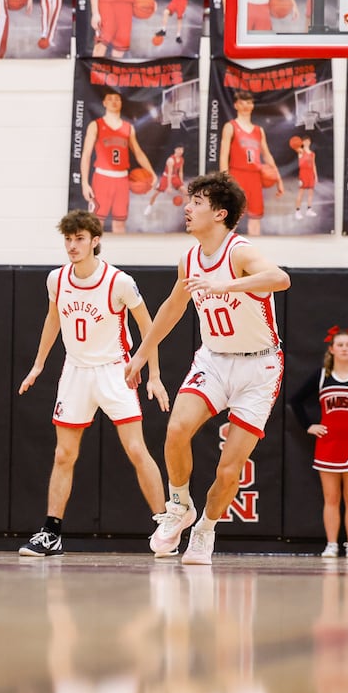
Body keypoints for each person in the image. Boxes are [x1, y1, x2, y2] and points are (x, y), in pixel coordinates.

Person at [125, 173, 292, 566]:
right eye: (189, 200)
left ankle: (205, 530)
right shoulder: (188, 259)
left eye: (197, 202)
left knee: (228, 468)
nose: (187, 207)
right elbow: (171, 309)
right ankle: (179, 505)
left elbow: (280, 278)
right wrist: (140, 354)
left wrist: (225, 286)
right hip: (214, 359)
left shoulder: (239, 252)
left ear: (219, 213)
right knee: (177, 429)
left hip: (260, 367)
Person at [15, 211, 171, 557]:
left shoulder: (119, 282)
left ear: (95, 240)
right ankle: (51, 533)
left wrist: (155, 374)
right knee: (63, 454)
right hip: (76, 372)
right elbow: (53, 319)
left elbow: (150, 328)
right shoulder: (56, 280)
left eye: (79, 239)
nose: (72, 246)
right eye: (68, 239)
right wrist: (38, 365)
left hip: (116, 370)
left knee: (135, 449)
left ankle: (166, 526)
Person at [290, 327, 348, 558]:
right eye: (339, 345)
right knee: (331, 498)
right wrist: (308, 425)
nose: (344, 349)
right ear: (331, 350)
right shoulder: (322, 376)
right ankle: (331, 544)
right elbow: (295, 400)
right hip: (328, 444)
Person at [79, 88, 158, 234]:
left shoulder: (128, 128)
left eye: (117, 99)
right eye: (110, 99)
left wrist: (152, 173)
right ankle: (95, 256)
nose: (114, 102)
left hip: (122, 180)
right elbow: (86, 155)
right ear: (104, 103)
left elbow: (139, 153)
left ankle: (119, 256)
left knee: (120, 225)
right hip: (102, 178)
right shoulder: (95, 125)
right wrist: (84, 182)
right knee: (96, 225)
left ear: (121, 103)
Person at [217, 91, 283, 237]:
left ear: (253, 105)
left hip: (255, 178)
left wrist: (278, 179)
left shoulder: (259, 131)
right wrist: (224, 180)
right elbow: (223, 156)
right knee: (230, 220)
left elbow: (267, 156)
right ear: (236, 105)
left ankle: (252, 257)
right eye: (242, 102)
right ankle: (223, 257)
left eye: (248, 102)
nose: (245, 105)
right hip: (236, 176)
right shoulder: (230, 126)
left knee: (255, 220)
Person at [146, 146, 186, 211]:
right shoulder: (171, 160)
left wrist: (181, 182)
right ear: (175, 150)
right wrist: (169, 187)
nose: (180, 151)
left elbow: (181, 172)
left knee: (185, 191)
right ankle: (149, 206)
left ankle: (187, 208)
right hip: (166, 177)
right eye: (179, 149)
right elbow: (169, 174)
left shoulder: (182, 159)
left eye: (182, 150)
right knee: (155, 194)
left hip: (175, 176)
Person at [291, 138, 317, 220]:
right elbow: (294, 146)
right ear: (302, 142)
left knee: (310, 193)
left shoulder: (312, 154)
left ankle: (309, 210)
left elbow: (313, 165)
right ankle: (297, 212)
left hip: (310, 174)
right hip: (303, 174)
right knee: (300, 194)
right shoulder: (301, 151)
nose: (307, 142)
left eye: (308, 141)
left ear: (310, 142)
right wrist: (295, 142)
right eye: (305, 141)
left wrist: (315, 176)